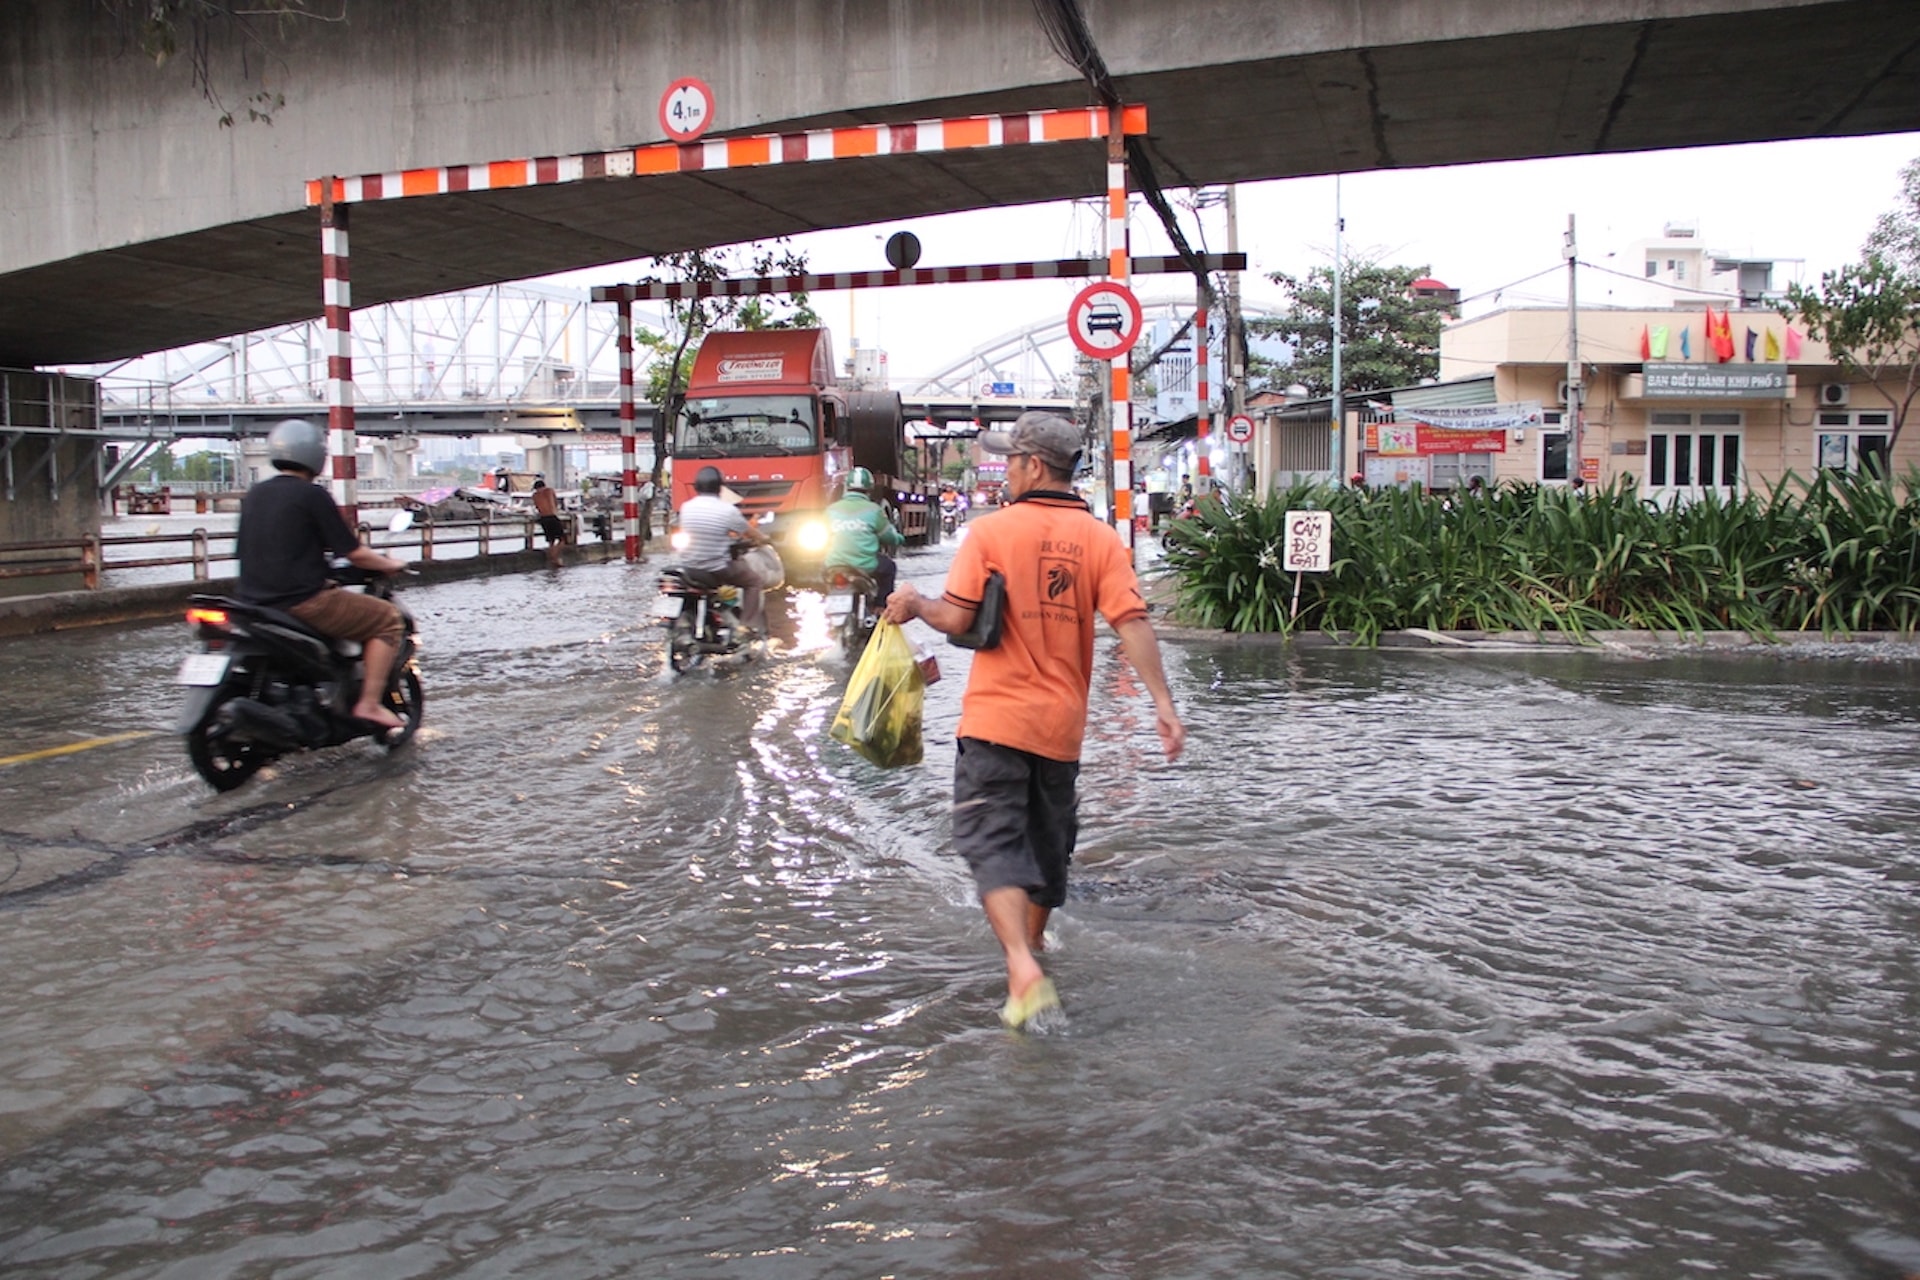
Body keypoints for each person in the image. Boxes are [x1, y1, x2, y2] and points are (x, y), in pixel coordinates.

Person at [883, 411, 1186, 1031]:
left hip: (997, 720)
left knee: (991, 841)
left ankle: (1022, 968)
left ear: (1033, 466)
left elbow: (960, 621)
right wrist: (1163, 703)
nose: (1008, 471)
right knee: (1049, 850)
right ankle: (1038, 945)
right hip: (1061, 728)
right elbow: (1132, 621)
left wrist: (914, 603)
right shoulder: (1102, 540)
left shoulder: (992, 533)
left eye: (1012, 461)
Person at [236, 419, 410, 731]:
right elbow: (353, 552)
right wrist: (388, 564)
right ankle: (369, 704)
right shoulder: (311, 495)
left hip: (252, 603)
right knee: (388, 620)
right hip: (302, 601)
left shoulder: (256, 494)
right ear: (317, 456)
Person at [677, 464, 772, 635]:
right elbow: (749, 533)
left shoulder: (686, 507)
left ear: (697, 486)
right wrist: (764, 539)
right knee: (754, 581)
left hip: (689, 568)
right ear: (720, 487)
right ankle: (746, 627)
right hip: (716, 569)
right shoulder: (727, 510)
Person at [823, 466, 902, 601]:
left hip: (833, 565)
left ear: (846, 487)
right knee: (889, 567)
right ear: (869, 489)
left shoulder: (830, 510)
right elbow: (889, 537)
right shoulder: (874, 510)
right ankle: (880, 608)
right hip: (865, 565)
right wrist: (899, 538)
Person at [531, 476, 566, 567]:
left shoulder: (534, 496)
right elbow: (555, 503)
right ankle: (554, 557)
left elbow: (537, 507)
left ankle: (552, 558)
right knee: (562, 539)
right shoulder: (549, 491)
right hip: (552, 516)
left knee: (551, 540)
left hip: (543, 518)